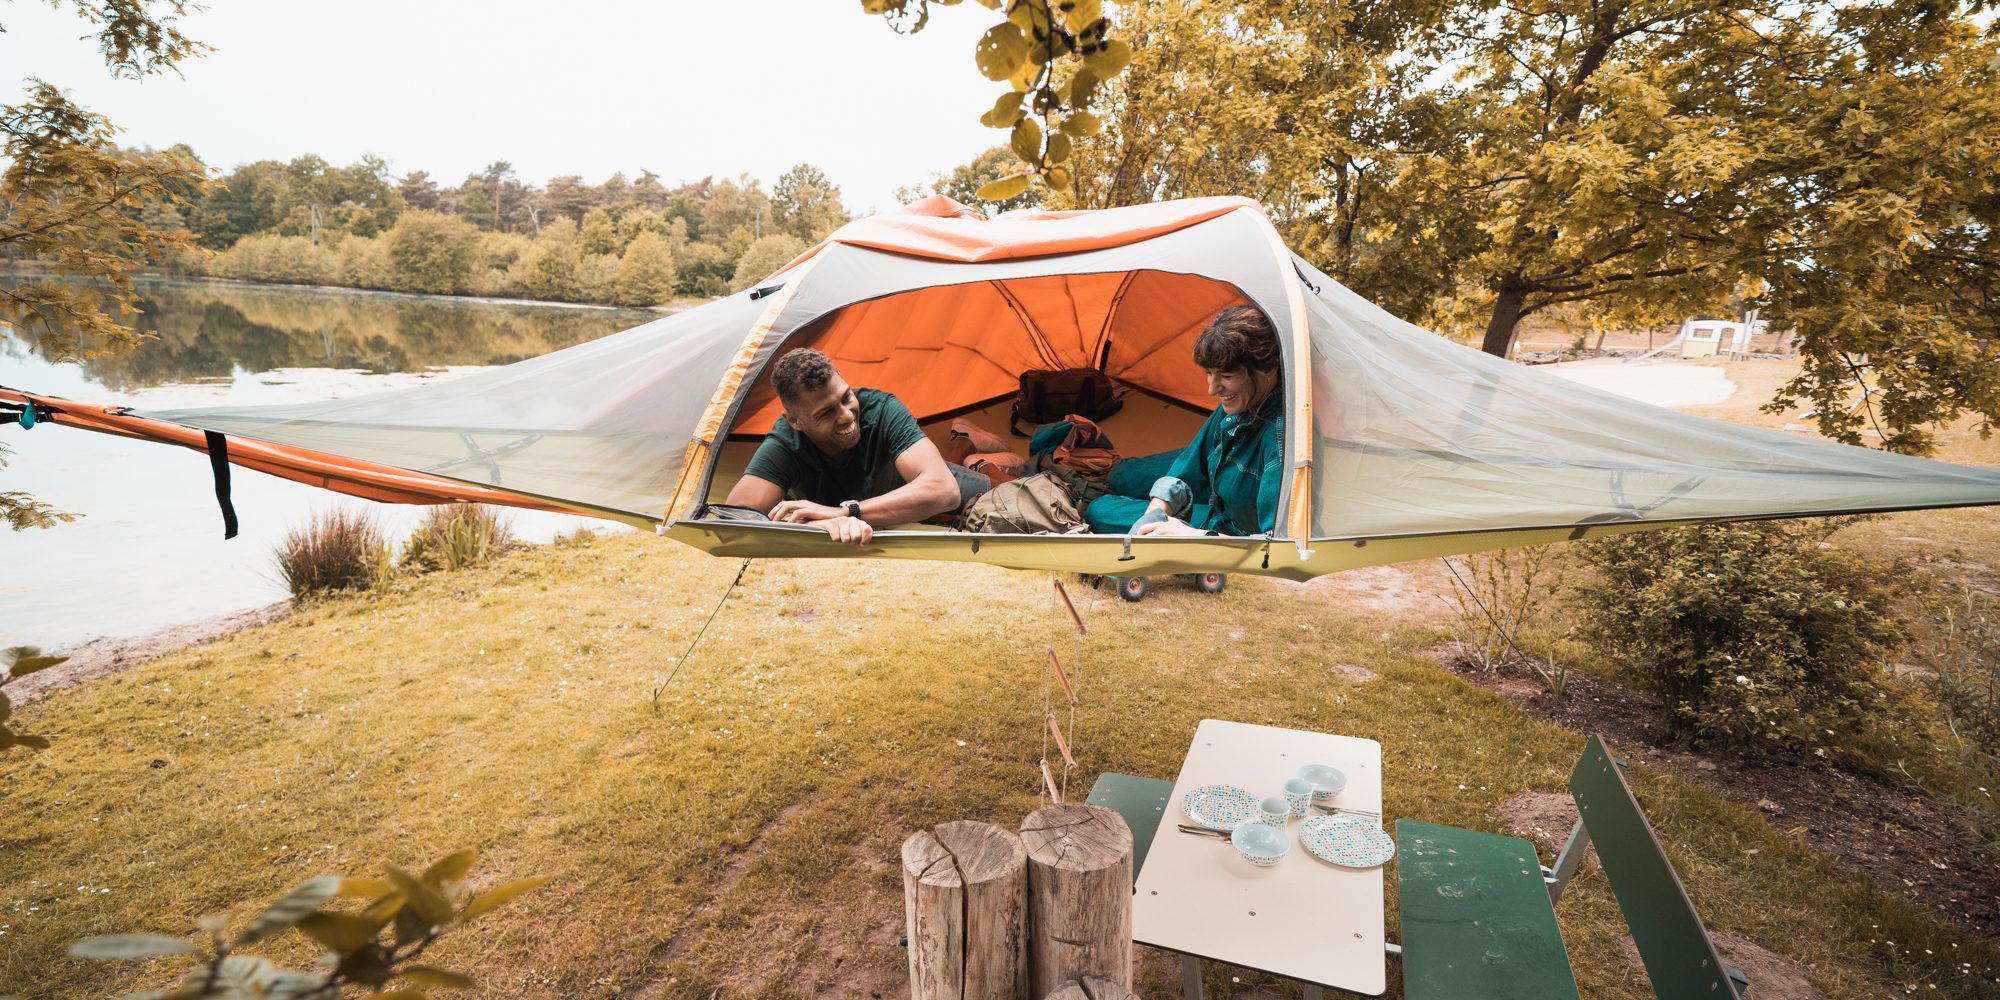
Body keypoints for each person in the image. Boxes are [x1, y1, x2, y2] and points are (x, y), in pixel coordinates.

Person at [725, 348, 979, 545]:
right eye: (826, 413)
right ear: (795, 421)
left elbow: (945, 491)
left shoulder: (882, 409)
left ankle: (973, 450)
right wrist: (823, 525)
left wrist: (844, 513)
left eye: (846, 397)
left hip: (918, 485)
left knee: (1007, 494)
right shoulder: (786, 443)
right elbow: (734, 518)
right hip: (904, 507)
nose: (846, 416)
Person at [1084, 305, 1284, 537]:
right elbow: (1187, 470)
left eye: (1227, 376)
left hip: (1227, 532)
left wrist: (1191, 537)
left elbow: (1279, 545)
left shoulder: (1281, 440)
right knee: (1120, 474)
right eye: (1209, 373)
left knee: (1100, 511)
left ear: (1268, 369)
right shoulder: (1240, 404)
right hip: (1216, 490)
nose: (1211, 389)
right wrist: (1154, 515)